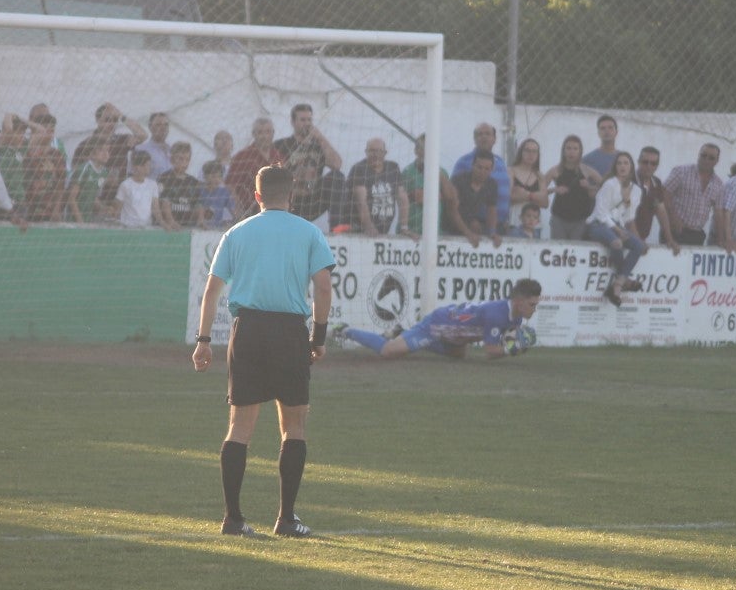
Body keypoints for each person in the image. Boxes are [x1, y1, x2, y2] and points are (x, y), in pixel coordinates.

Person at [191, 164, 335, 538]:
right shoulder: (309, 233)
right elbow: (323, 287)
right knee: (295, 426)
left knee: (239, 427)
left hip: (249, 331)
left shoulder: (236, 233)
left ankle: (233, 519)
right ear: (291, 195)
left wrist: (204, 341)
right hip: (290, 333)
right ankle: (286, 519)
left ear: (256, 196)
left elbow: (211, 291)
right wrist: (318, 337)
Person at [334, 278, 541, 360]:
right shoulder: (498, 314)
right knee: (389, 351)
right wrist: (512, 349)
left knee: (459, 355)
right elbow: (490, 351)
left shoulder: (515, 317)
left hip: (456, 335)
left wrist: (514, 343)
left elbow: (503, 339)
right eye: (532, 304)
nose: (534, 308)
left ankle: (402, 333)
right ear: (518, 301)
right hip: (438, 325)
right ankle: (346, 329)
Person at [587, 152, 648, 307]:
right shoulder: (610, 184)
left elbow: (628, 217)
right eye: (619, 163)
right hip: (599, 224)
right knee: (617, 243)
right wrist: (617, 229)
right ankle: (623, 283)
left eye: (626, 163)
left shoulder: (637, 190)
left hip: (618, 225)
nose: (622, 166)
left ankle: (618, 283)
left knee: (638, 246)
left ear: (631, 167)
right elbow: (600, 212)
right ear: (615, 167)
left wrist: (627, 204)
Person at [70, 102, 148, 204]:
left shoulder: (121, 140)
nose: (111, 123)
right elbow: (75, 175)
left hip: (118, 200)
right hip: (92, 201)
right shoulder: (85, 145)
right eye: (107, 120)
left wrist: (121, 116)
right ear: (98, 120)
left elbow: (143, 135)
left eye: (114, 120)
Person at [402, 133, 467, 241]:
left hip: (436, 232)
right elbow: (409, 198)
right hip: (411, 231)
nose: (426, 151)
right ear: (416, 150)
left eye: (430, 147)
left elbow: (448, 199)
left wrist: (428, 196)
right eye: (422, 148)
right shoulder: (407, 172)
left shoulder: (442, 173)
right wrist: (433, 196)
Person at [664, 143, 724, 246]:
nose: (706, 160)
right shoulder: (681, 172)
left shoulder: (718, 184)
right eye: (703, 155)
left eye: (711, 158)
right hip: (675, 230)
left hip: (697, 235)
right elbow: (664, 193)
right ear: (698, 155)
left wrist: (721, 239)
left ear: (717, 161)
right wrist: (673, 217)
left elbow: (718, 212)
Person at [452, 122, 511, 227]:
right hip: (475, 225)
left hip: (501, 225)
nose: (484, 137)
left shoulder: (500, 162)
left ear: (494, 139)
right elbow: (453, 195)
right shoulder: (463, 162)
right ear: (475, 139)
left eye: (488, 134)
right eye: (480, 134)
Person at [544, 134, 601, 240]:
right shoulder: (555, 170)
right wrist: (554, 189)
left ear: (580, 151)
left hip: (580, 220)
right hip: (559, 219)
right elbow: (540, 190)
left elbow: (605, 188)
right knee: (558, 250)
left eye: (575, 148)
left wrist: (590, 186)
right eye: (568, 148)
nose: (571, 152)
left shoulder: (586, 170)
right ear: (563, 151)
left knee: (577, 251)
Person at [227, 117, 283, 223]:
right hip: (248, 215)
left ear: (273, 133)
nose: (264, 136)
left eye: (268, 132)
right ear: (253, 134)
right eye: (260, 132)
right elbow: (230, 186)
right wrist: (238, 211)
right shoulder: (242, 157)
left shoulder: (278, 157)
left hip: (273, 215)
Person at [349, 137, 408, 236]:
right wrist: (369, 227)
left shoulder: (393, 167)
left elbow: (402, 198)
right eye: (372, 151)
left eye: (380, 151)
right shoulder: (359, 169)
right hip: (360, 231)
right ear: (366, 152)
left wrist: (404, 227)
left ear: (385, 153)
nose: (376, 155)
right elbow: (361, 201)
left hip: (384, 230)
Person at [451, 150, 502, 248]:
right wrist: (467, 232)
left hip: (471, 226)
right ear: (472, 165)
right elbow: (452, 210)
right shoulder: (458, 180)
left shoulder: (492, 184)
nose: (482, 172)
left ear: (492, 169)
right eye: (479, 167)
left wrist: (492, 232)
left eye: (487, 169)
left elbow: (492, 210)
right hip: (450, 227)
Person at [633, 146, 680, 253]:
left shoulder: (656, 183)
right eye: (645, 162)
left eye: (653, 163)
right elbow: (624, 215)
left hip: (641, 240)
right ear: (638, 162)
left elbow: (661, 212)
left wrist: (670, 239)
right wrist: (636, 239)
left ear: (657, 166)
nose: (649, 166)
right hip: (624, 239)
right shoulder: (629, 179)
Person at [22, 121, 67, 223]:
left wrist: (56, 210)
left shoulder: (56, 155)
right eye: (47, 130)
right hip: (28, 210)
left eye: (52, 131)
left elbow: (61, 186)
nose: (50, 134)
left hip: (49, 211)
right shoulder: (26, 152)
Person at [116, 150, 171, 229]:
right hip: (128, 227)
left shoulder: (152, 185)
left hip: (146, 227)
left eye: (149, 164)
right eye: (147, 165)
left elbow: (155, 207)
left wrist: (162, 222)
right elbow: (118, 208)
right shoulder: (125, 185)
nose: (149, 167)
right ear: (136, 167)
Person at [67, 138, 113, 224]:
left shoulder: (104, 172)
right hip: (73, 219)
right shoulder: (84, 170)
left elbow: (92, 195)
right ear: (92, 154)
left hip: (87, 218)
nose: (106, 154)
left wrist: (103, 208)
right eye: (101, 150)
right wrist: (79, 220)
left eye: (107, 150)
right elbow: (71, 198)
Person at [508, 138, 550, 229]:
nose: (531, 154)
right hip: (515, 222)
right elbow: (509, 197)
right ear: (521, 152)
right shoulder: (511, 171)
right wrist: (537, 196)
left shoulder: (540, 176)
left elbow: (545, 203)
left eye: (534, 151)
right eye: (527, 150)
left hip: (535, 226)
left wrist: (527, 195)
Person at [158, 141, 202, 229]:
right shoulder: (164, 178)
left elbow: (198, 204)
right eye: (180, 159)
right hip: (170, 225)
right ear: (172, 159)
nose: (184, 163)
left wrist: (200, 220)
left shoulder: (194, 182)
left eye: (187, 159)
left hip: (188, 224)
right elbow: (164, 203)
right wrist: (171, 221)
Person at [131, 112, 173, 179]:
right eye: (158, 125)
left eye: (166, 124)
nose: (163, 128)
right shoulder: (141, 149)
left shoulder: (173, 150)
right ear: (150, 127)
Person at [199, 159, 235, 230]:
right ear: (205, 177)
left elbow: (234, 211)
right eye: (213, 176)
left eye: (219, 177)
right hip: (200, 228)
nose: (216, 179)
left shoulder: (224, 192)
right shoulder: (200, 191)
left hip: (218, 228)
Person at [582, 114, 620, 179]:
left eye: (610, 127)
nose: (607, 131)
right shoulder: (587, 160)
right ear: (598, 133)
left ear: (616, 132)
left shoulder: (624, 160)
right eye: (603, 128)